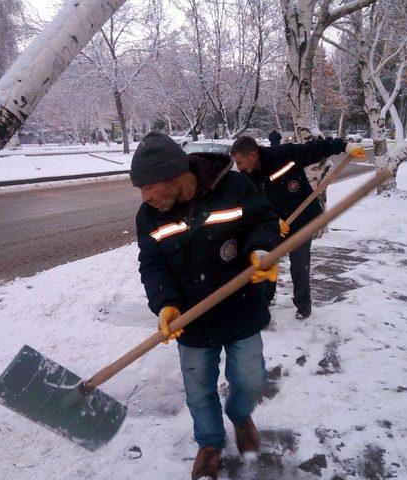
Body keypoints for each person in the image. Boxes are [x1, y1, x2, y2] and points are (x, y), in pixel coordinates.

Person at [131, 132, 281, 480]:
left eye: (148, 187)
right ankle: (210, 444)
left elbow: (264, 221)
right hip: (192, 321)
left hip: (241, 309)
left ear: (173, 176)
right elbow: (152, 264)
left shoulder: (234, 188)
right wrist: (165, 304)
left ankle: (241, 416)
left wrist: (260, 249)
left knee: (251, 379)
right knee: (199, 390)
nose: (145, 197)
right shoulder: (149, 217)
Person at [230, 136, 366, 319]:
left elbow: (315, 148)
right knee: (266, 261)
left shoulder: (283, 155)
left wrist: (344, 146)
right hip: (273, 225)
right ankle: (264, 302)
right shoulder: (246, 178)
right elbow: (251, 206)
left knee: (300, 264)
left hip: (301, 221)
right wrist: (272, 220)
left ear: (252, 155)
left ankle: (303, 305)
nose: (238, 167)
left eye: (239, 162)